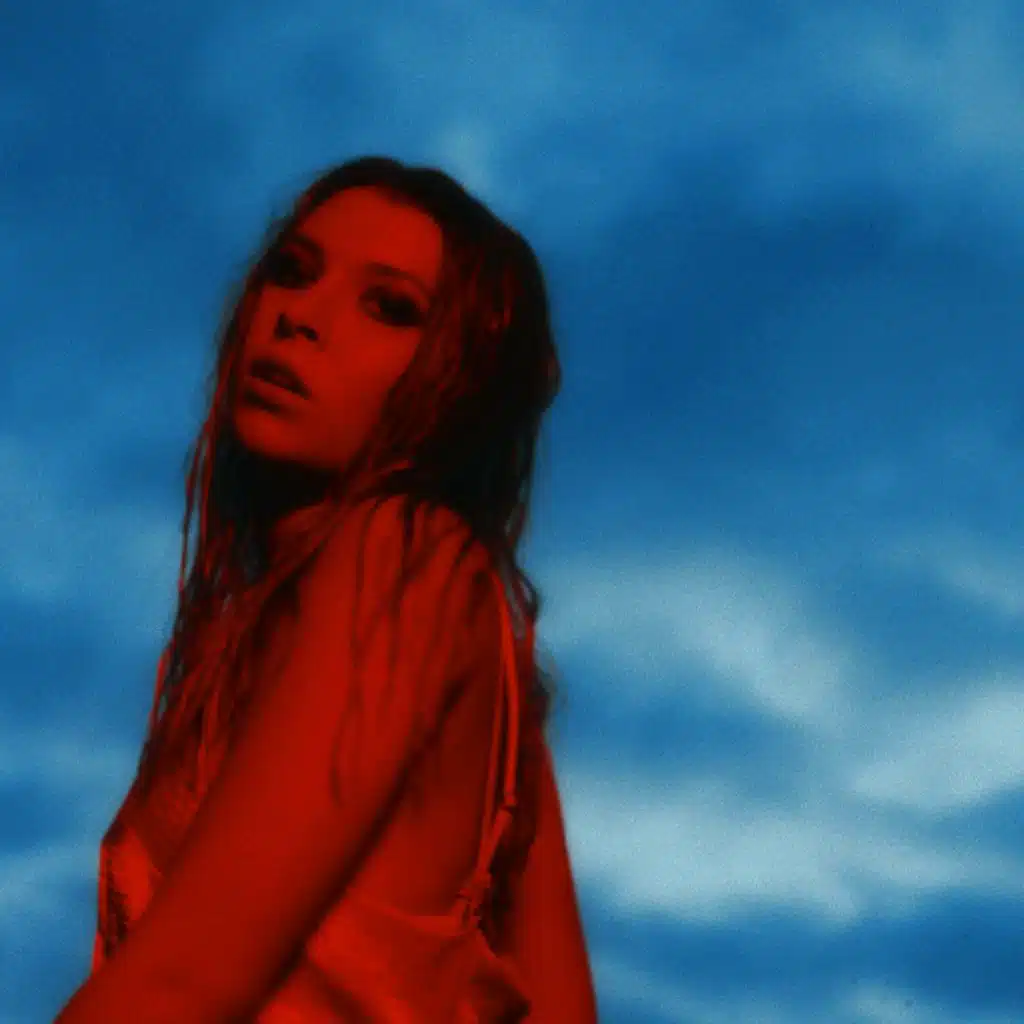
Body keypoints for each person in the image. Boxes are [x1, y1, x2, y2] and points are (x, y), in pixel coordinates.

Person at [55, 156, 598, 1021]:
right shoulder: (425, 631)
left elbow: (184, 982)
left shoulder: (407, 555)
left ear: (461, 383)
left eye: (390, 308)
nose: (300, 316)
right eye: (293, 271)